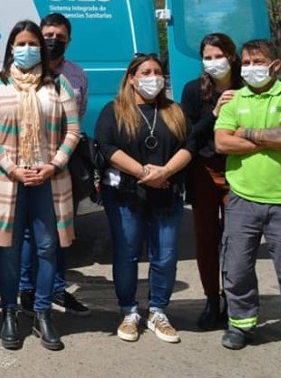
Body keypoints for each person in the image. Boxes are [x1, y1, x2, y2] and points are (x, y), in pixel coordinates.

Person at [0, 20, 81, 352]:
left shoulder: (58, 84)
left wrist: (53, 165)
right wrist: (12, 168)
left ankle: (42, 312)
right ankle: (10, 312)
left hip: (49, 180)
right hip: (9, 180)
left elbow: (73, 131)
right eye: (20, 43)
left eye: (32, 43)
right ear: (10, 47)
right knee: (8, 251)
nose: (27, 49)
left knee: (47, 247)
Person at [94, 53, 194, 344]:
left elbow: (190, 145)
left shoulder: (174, 111)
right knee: (127, 254)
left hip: (167, 194)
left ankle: (158, 311)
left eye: (158, 72)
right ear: (132, 78)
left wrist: (166, 172)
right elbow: (107, 145)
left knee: (165, 255)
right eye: (146, 72)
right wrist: (143, 172)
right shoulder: (113, 111)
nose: (153, 77)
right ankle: (129, 310)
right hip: (126, 195)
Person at [214, 38, 281, 350]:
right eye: (246, 62)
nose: (251, 68)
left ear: (275, 65)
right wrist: (271, 138)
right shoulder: (234, 99)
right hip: (242, 198)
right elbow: (222, 144)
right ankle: (241, 324)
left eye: (257, 62)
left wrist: (246, 132)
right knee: (237, 267)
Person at [20, 12, 91, 317]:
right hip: (30, 159)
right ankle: (26, 289)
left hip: (64, 160)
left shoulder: (77, 75)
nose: (53, 41)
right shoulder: (25, 72)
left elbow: (79, 116)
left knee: (62, 227)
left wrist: (62, 154)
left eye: (60, 37)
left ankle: (58, 289)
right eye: (47, 35)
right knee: (27, 230)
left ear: (69, 40)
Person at [181, 33, 241, 330]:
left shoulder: (245, 88)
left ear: (231, 56)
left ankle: (235, 301)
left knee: (236, 240)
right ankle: (211, 300)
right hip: (203, 172)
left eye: (219, 55)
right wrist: (215, 113)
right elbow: (189, 134)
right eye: (208, 56)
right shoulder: (194, 91)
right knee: (206, 239)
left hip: (238, 172)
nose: (214, 62)